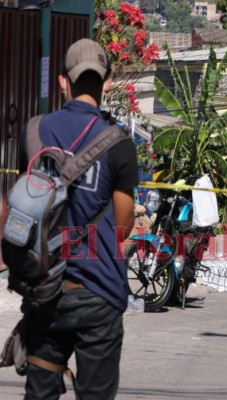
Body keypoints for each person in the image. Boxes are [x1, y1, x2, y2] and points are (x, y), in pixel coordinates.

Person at [20, 38, 138, 399]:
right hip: (99, 293)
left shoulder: (35, 131)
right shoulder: (119, 143)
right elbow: (123, 225)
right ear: (107, 82)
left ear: (61, 80)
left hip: (45, 293)